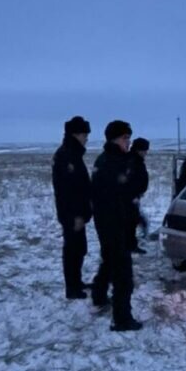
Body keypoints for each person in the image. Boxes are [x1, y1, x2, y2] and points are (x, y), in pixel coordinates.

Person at [91, 120, 142, 331]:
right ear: (114, 139)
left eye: (129, 138)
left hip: (111, 225)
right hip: (113, 225)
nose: (128, 142)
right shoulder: (111, 164)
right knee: (123, 275)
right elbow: (116, 198)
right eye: (125, 138)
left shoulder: (109, 159)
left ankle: (99, 295)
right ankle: (122, 319)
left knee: (109, 263)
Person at [52, 116, 92, 300]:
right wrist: (75, 215)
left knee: (79, 248)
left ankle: (76, 282)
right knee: (73, 250)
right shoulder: (66, 156)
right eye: (85, 134)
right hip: (71, 213)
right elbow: (68, 190)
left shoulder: (73, 154)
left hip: (77, 213)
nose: (87, 138)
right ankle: (72, 288)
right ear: (75, 134)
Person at [127, 137, 150, 254]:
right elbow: (129, 181)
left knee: (133, 222)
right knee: (131, 222)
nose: (146, 152)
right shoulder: (132, 161)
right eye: (144, 150)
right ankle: (129, 245)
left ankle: (131, 245)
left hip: (135, 196)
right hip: (131, 198)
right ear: (138, 149)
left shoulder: (137, 160)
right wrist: (133, 196)